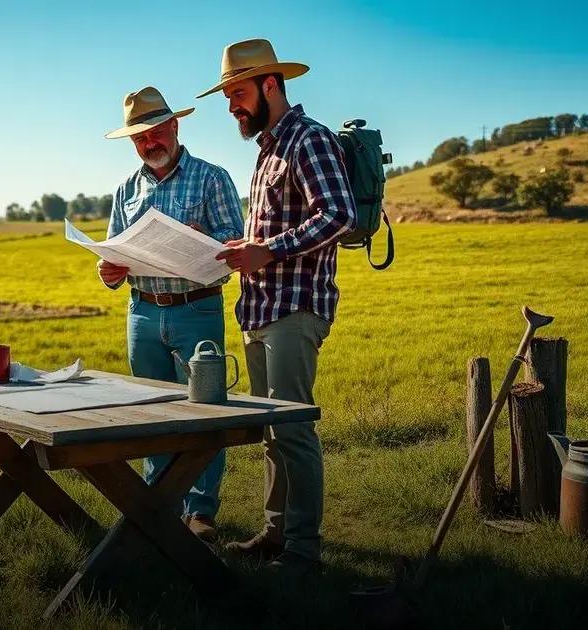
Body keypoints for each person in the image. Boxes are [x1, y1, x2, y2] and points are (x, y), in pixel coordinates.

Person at [199, 39, 357, 575]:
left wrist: (267, 250)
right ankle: (275, 533)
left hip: (295, 308)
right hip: (260, 309)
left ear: (270, 85)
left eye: (238, 93)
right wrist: (243, 248)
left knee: (293, 430)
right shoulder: (268, 148)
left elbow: (337, 214)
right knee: (273, 432)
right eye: (227, 96)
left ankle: (303, 550)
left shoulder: (308, 139)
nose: (231, 106)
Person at [99, 86, 244, 541]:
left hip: (196, 309)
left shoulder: (212, 177)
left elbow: (235, 244)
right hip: (141, 312)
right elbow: (113, 257)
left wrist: (206, 240)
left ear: (175, 126)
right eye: (139, 138)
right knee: (151, 413)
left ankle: (200, 512)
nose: (149, 143)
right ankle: (158, 508)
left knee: (204, 410)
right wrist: (108, 271)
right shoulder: (125, 189)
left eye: (155, 133)